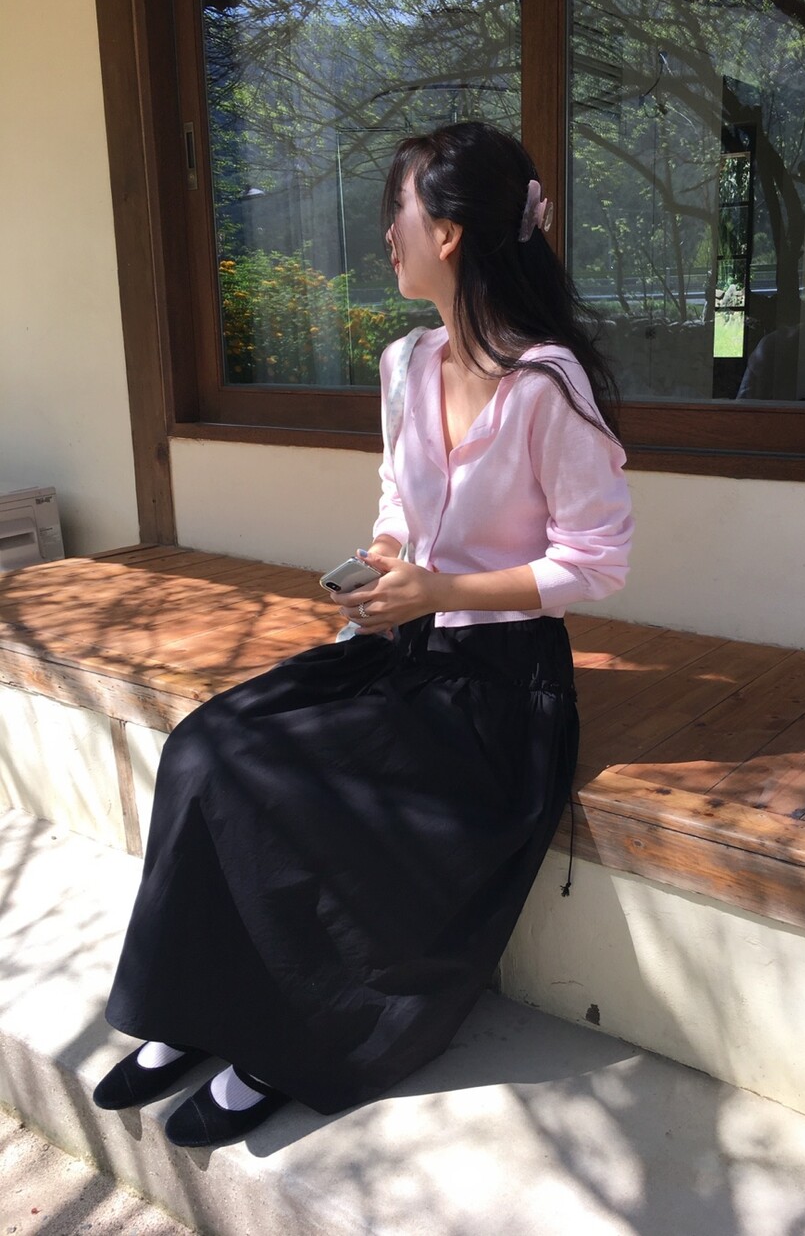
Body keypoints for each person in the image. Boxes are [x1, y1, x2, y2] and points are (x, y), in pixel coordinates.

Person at [91, 121, 634, 1148]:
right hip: (400, 652)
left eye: (399, 211)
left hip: (500, 690)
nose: (386, 233)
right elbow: (398, 496)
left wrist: (444, 587)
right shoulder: (404, 363)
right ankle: (188, 1009)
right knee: (205, 745)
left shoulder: (547, 387)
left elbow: (597, 561)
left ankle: (278, 1043)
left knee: (287, 786)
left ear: (451, 233)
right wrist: (386, 557)